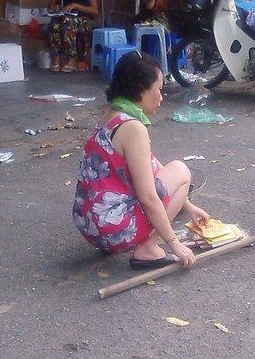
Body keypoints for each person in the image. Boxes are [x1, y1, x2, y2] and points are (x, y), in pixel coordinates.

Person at [72, 51, 210, 270]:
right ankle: (148, 248)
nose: (162, 97)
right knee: (182, 170)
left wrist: (187, 204)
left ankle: (138, 240)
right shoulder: (133, 128)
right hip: (114, 230)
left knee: (171, 174)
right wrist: (174, 243)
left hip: (91, 225)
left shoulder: (112, 115)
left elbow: (152, 168)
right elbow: (148, 197)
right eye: (158, 90)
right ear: (140, 90)